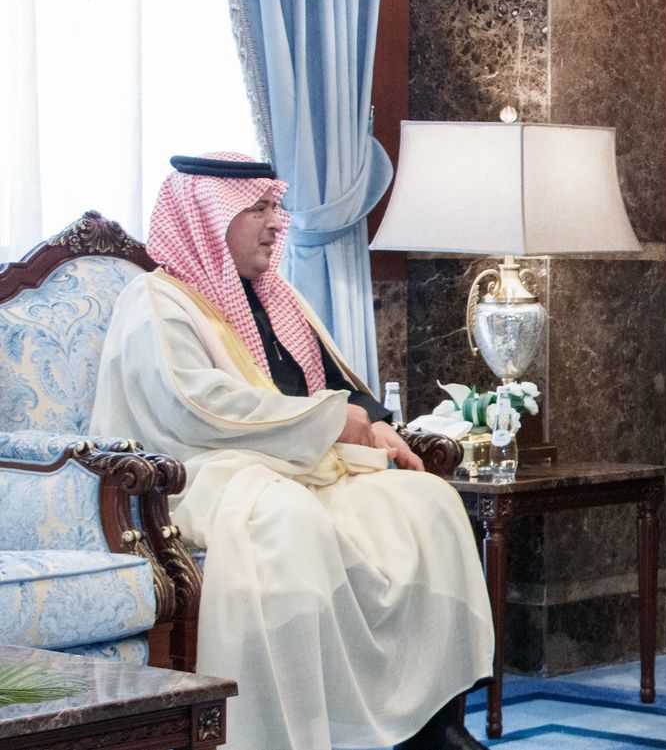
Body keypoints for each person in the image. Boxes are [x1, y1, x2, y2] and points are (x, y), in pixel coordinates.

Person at [89, 154, 494, 750]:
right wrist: (329, 421)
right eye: (258, 208)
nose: (278, 222)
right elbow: (195, 405)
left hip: (295, 463)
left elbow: (329, 380)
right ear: (208, 217)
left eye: (275, 207)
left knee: (426, 502)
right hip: (193, 474)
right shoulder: (155, 301)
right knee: (286, 521)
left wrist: (376, 424)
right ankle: (298, 733)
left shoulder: (273, 296)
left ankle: (431, 725)